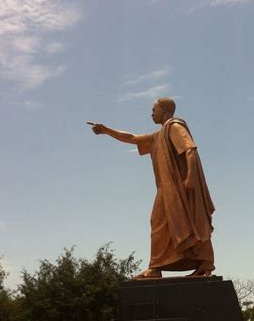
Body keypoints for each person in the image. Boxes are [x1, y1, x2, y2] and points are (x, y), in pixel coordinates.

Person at [87, 97, 215, 278]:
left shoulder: (175, 127)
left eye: (154, 109)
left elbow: (190, 151)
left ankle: (183, 266)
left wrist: (190, 179)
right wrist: (107, 131)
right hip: (168, 188)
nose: (151, 113)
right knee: (165, 223)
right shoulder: (159, 135)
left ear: (165, 110)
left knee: (183, 223)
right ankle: (163, 266)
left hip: (178, 189)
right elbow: (132, 138)